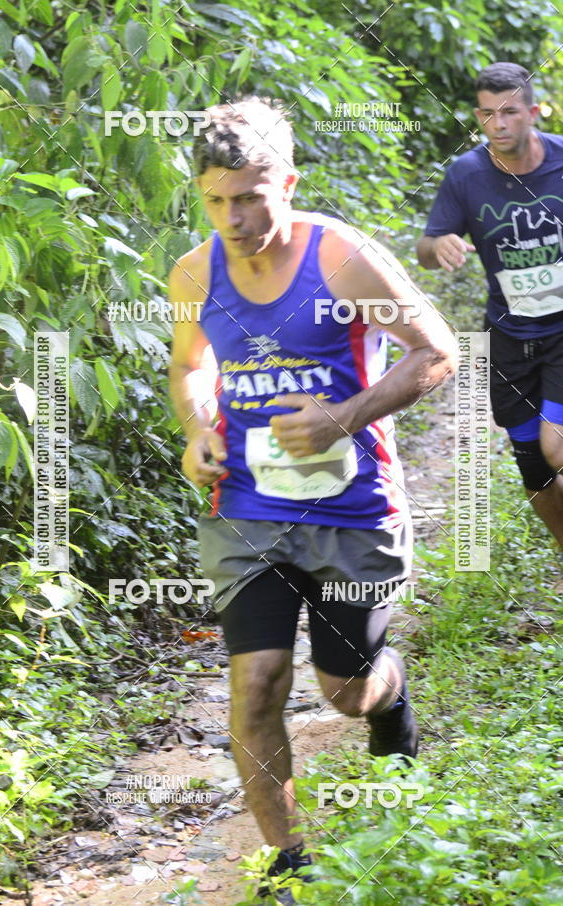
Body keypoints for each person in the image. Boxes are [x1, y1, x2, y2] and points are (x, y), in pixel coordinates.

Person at [169, 97, 457, 904]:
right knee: (255, 681)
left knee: (344, 688)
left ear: (286, 181)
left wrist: (343, 416)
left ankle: (388, 700)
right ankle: (289, 866)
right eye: (218, 198)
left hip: (353, 509)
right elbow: (191, 364)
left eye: (252, 195)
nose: (234, 215)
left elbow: (437, 352)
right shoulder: (195, 271)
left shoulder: (342, 258)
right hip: (246, 507)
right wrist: (198, 427)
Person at [417, 62, 563, 550]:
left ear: (533, 112)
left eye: (509, 112)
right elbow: (427, 244)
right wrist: (438, 248)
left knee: (555, 445)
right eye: (486, 115)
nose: (497, 125)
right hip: (507, 337)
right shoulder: (466, 175)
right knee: (533, 465)